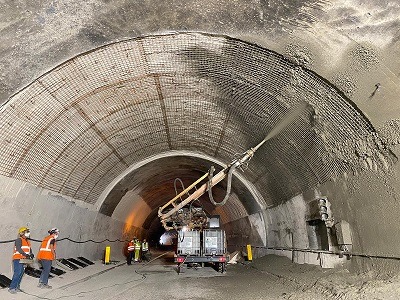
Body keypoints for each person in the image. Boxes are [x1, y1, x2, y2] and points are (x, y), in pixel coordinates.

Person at [8, 227, 34, 294]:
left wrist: (31, 254)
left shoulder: (27, 241)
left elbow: (29, 249)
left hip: (24, 259)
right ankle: (12, 288)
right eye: (26, 231)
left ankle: (17, 287)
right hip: (18, 258)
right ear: (22, 233)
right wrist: (25, 254)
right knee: (17, 273)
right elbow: (19, 249)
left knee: (21, 273)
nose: (28, 233)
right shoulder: (18, 240)